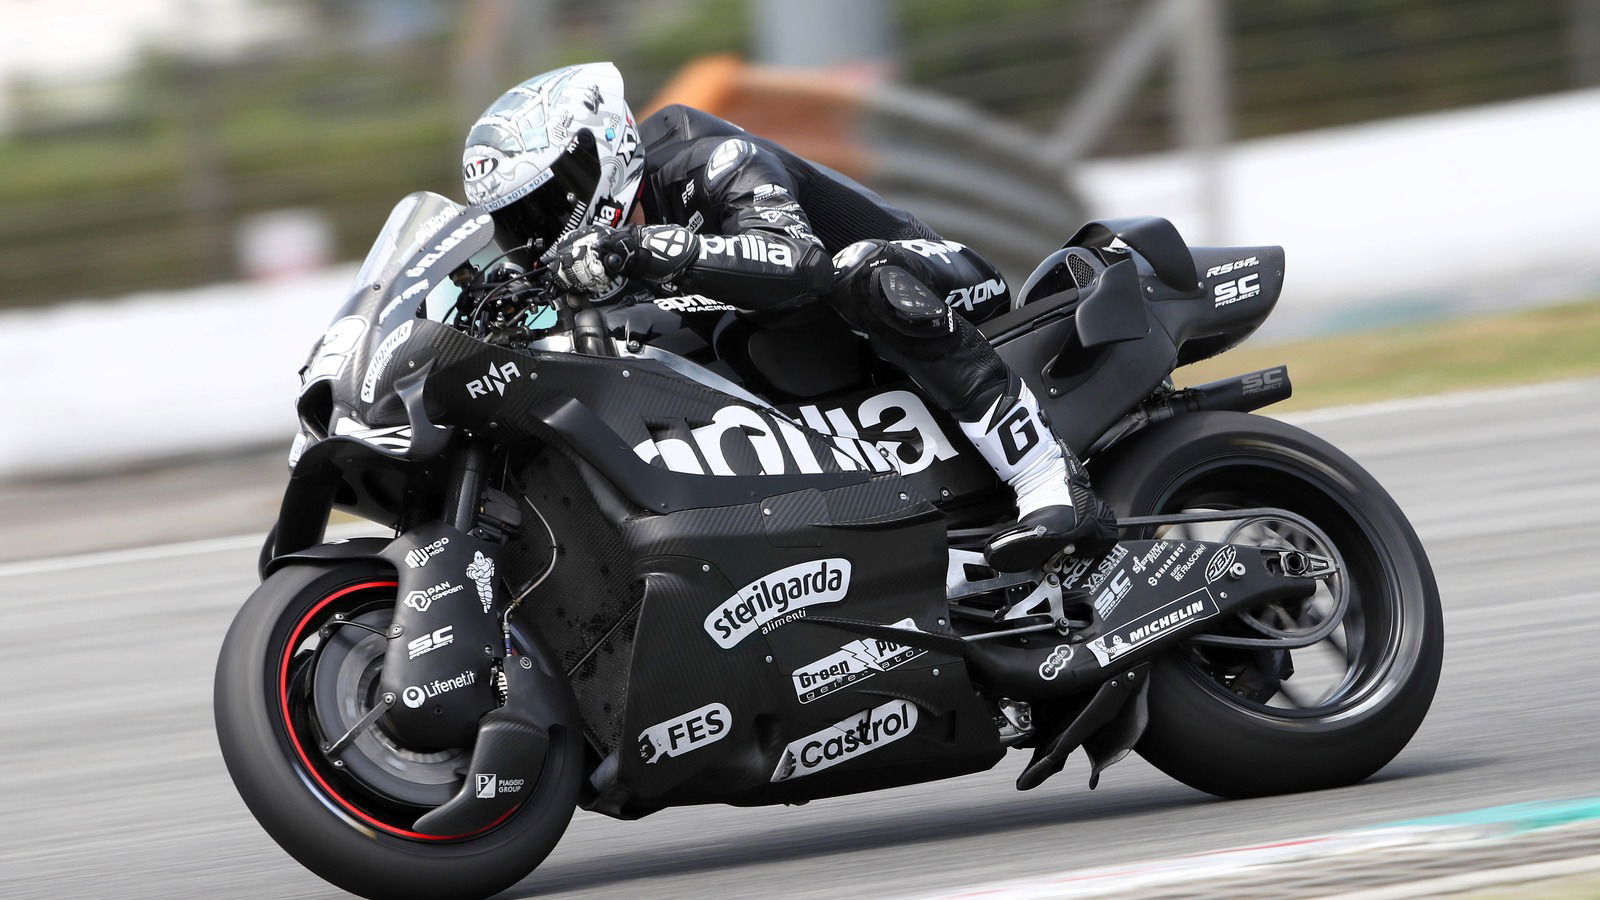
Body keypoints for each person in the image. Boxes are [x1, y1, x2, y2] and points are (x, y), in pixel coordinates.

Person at [460, 62, 1115, 572]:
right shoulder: (583, 262)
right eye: (516, 221)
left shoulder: (709, 159)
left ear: (596, 155)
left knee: (858, 269)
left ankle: (1048, 477)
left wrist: (649, 249)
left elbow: (797, 263)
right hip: (808, 354)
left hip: (930, 281)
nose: (535, 234)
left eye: (544, 206)